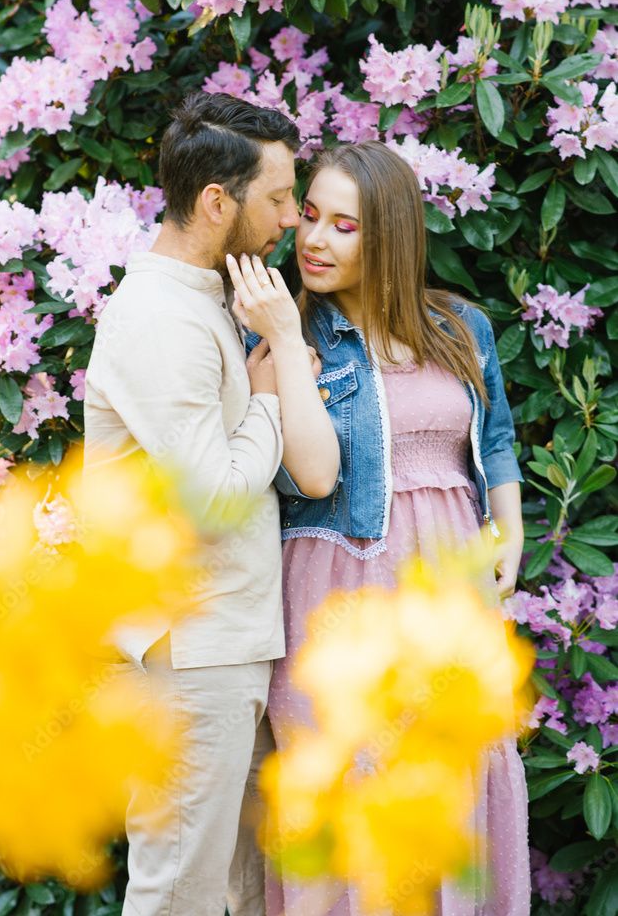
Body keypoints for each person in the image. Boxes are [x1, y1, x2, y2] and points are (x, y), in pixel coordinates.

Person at [228, 141, 530, 916]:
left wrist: (511, 531)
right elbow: (311, 474)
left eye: (344, 225)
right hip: (339, 590)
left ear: (389, 234)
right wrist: (290, 347)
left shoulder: (460, 325)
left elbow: (494, 441)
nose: (315, 240)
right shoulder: (284, 341)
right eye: (310, 217)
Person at [83, 92, 338, 916]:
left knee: (242, 891)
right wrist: (267, 399)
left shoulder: (201, 300)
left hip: (221, 644)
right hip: (188, 654)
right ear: (215, 202)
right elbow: (219, 498)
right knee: (177, 895)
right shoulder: (162, 319)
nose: (291, 220)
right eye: (276, 199)